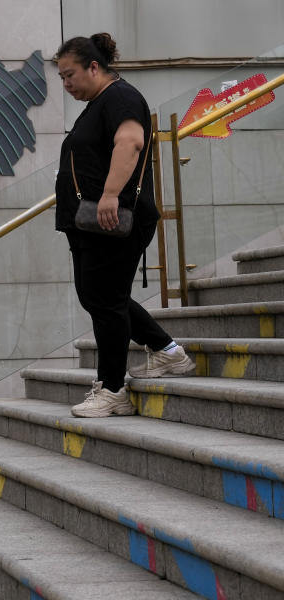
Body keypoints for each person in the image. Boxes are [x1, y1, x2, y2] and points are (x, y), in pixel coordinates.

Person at [54, 33, 195, 418]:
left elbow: (130, 143)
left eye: (70, 75)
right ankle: (168, 352)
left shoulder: (120, 97)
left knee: (105, 301)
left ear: (94, 67)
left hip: (112, 217)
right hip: (90, 222)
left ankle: (113, 389)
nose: (66, 85)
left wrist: (111, 195)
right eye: (62, 77)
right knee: (98, 297)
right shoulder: (99, 103)